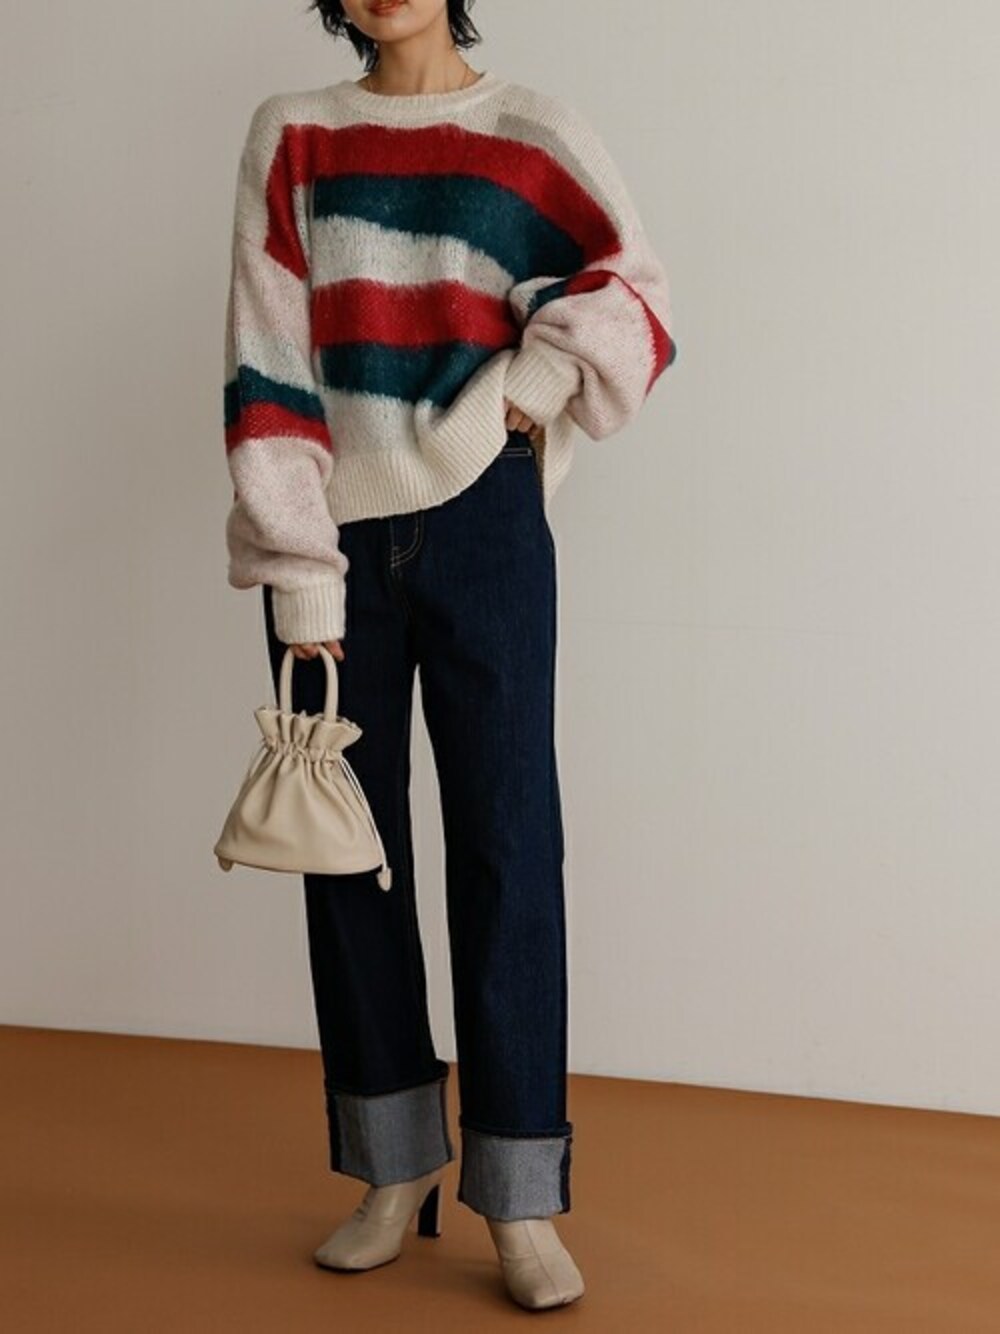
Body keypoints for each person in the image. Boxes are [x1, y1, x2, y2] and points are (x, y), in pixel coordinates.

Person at [222, 0, 676, 1311]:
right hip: (332, 536)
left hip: (486, 525)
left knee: (507, 847)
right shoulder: (294, 134)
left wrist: (524, 395)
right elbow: (265, 355)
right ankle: (392, 1167)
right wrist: (300, 566)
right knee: (349, 861)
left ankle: (520, 1196)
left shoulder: (530, 129)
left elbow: (636, 297)